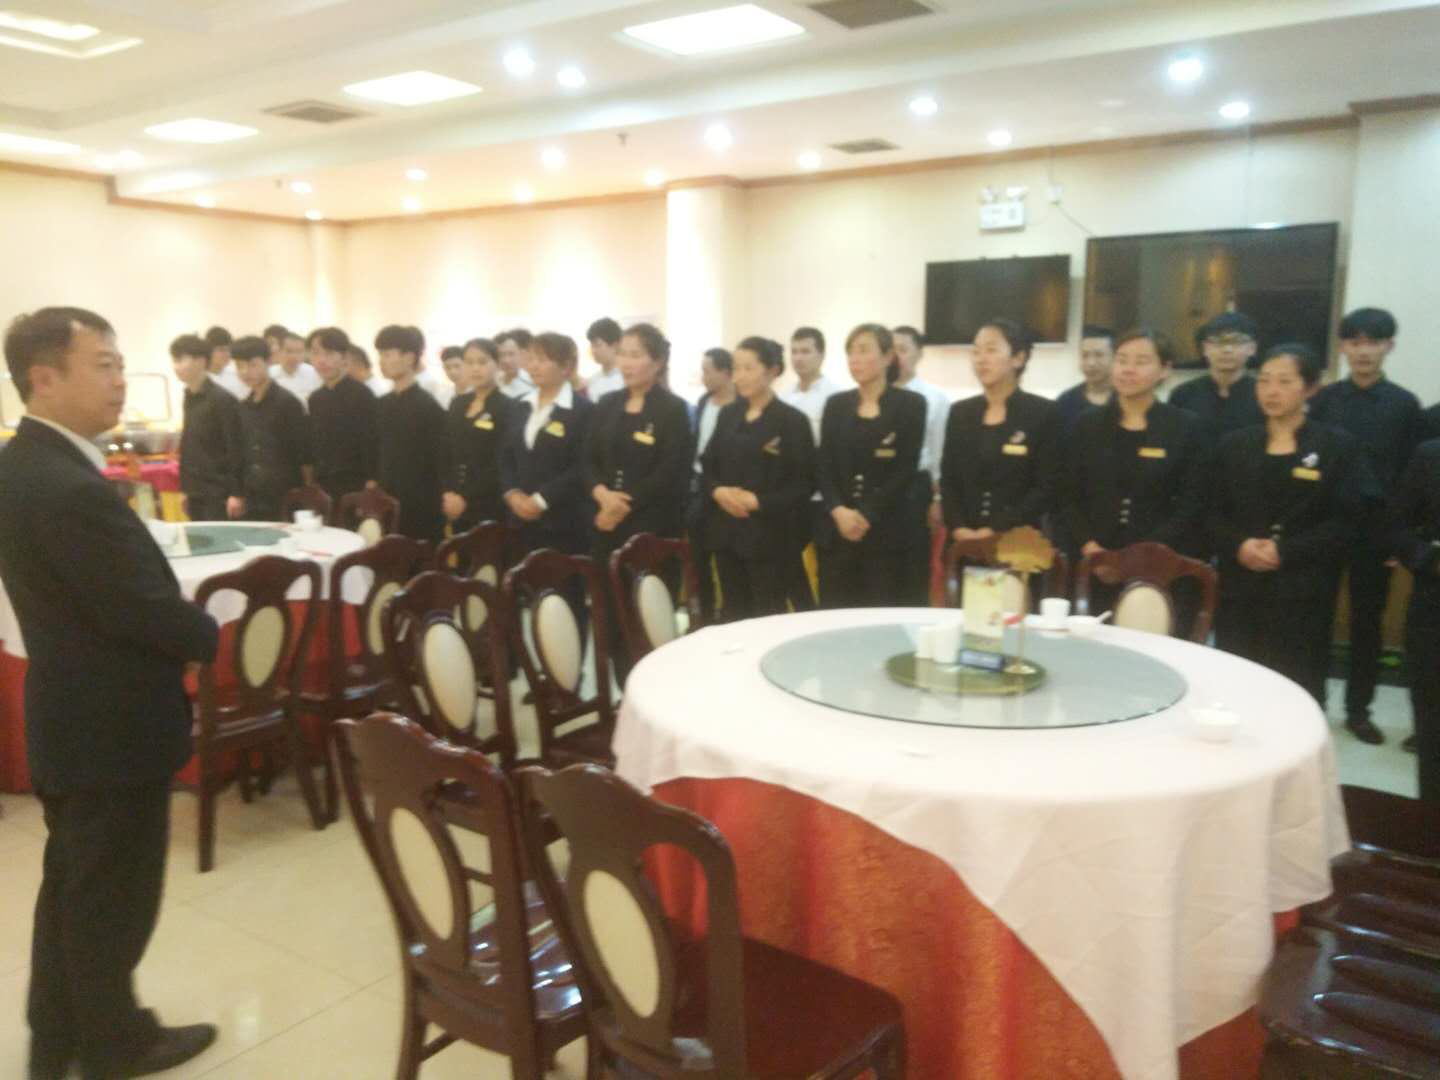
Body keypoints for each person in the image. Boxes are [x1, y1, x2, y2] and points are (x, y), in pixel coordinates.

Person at [0, 307, 220, 1080]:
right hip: (110, 724)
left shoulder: (21, 464)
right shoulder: (63, 485)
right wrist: (206, 634)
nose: (120, 380)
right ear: (44, 377)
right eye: (103, 365)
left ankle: (58, 1035)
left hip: (74, 715)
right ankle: (113, 1044)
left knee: (74, 889)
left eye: (121, 364)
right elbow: (135, 608)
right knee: (113, 898)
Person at [1208, 345, 1378, 705]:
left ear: (1310, 388)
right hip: (1240, 583)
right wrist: (1239, 545)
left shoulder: (1338, 447)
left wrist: (1285, 551)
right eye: (1264, 381)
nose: (1271, 391)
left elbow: (1349, 520)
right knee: (1236, 680)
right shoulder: (1234, 445)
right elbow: (1210, 512)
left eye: (1285, 382)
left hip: (1304, 586)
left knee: (1297, 683)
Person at [1309, 307, 1426, 744]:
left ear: (1388, 347)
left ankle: (1359, 711)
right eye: (1354, 342)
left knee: (1367, 624)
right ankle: (1312, 704)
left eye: (1373, 342)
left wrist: (1402, 539)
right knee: (1315, 618)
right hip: (1323, 528)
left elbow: (1411, 478)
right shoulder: (1323, 401)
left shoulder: (1404, 405)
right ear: (1342, 347)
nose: (1363, 351)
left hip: (1377, 533)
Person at [1064, 329, 1208, 622]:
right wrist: (1091, 548)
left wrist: (1140, 558)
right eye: (1122, 360)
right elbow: (1067, 494)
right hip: (1094, 562)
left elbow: (1192, 504)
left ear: (1165, 370)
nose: (1128, 369)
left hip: (1160, 567)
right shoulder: (1086, 425)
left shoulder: (1186, 428)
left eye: (1141, 361)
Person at [587, 322, 691, 683]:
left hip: (651, 528)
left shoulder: (673, 409)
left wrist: (621, 505)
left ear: (657, 362)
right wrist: (601, 495)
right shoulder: (606, 404)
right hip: (605, 525)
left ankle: (654, 691)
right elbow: (587, 460)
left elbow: (670, 472)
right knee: (612, 616)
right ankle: (623, 692)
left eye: (636, 355)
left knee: (648, 616)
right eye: (623, 354)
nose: (626, 363)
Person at [702, 336, 816, 620]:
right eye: (736, 368)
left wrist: (759, 501)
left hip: (771, 537)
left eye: (748, 368)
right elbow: (708, 465)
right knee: (734, 616)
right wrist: (718, 491)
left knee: (769, 617)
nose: (739, 376)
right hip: (727, 533)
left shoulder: (792, 421)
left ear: (772, 371)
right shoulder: (728, 414)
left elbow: (804, 484)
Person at [816, 324, 927, 609]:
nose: (855, 359)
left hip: (887, 530)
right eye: (850, 352)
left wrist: (866, 514)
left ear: (888, 357)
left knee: (882, 613)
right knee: (837, 614)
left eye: (864, 350)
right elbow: (824, 464)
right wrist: (838, 509)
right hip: (838, 529)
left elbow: (906, 468)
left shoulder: (911, 404)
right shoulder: (836, 404)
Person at [501, 333, 596, 636]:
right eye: (531, 358)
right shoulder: (519, 406)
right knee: (532, 598)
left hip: (564, 522)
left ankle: (571, 663)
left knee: (566, 600)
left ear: (566, 366)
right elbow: (505, 456)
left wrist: (541, 499)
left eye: (542, 360)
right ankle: (539, 662)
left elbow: (583, 466)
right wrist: (512, 493)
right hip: (521, 520)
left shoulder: (583, 411)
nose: (533, 366)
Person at [940, 318, 1059, 550]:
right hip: (963, 542)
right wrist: (958, 527)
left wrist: (995, 530)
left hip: (1018, 544)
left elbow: (1046, 487)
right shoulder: (960, 412)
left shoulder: (1043, 413)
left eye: (991, 350)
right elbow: (949, 480)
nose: (981, 359)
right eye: (976, 351)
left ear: (1018, 358)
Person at [1389, 436, 1440, 800]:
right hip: (1433, 611)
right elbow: (1396, 528)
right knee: (1433, 729)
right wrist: (1430, 560)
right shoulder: (1430, 455)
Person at [781, 326, 838, 611]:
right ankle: (804, 614)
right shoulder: (785, 397)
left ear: (821, 355)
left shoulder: (834, 396)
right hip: (793, 493)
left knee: (827, 564)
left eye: (805, 351)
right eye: (794, 351)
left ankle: (826, 616)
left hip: (823, 496)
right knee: (789, 560)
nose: (799, 358)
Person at [893, 326, 950, 605]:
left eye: (903, 349)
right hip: (880, 489)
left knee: (914, 565)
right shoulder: (869, 396)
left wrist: (937, 499)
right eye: (891, 349)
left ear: (919, 354)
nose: (896, 356)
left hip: (917, 488)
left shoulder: (934, 398)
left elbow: (940, 453)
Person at [375, 324, 447, 542]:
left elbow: (440, 460)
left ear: (409, 358)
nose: (381, 361)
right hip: (387, 497)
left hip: (421, 503)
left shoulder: (428, 406)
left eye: (388, 354)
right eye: (380, 355)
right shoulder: (381, 404)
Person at [443, 337, 518, 534]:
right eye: (469, 363)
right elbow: (446, 451)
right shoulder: (458, 403)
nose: (475, 368)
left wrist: (466, 497)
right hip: (452, 498)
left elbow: (501, 460)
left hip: (489, 500)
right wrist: (448, 492)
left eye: (482, 362)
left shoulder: (507, 406)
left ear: (497, 365)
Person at [233, 335, 312, 521]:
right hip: (253, 494)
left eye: (252, 364)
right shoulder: (243, 406)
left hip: (285, 494)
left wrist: (306, 493)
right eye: (239, 366)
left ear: (268, 361)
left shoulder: (287, 402)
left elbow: (304, 453)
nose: (245, 372)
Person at [170, 332, 242, 523]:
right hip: (195, 489)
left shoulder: (222, 399)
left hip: (218, 491)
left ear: (201, 361)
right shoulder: (188, 396)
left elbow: (235, 447)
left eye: (180, 360)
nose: (176, 367)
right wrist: (185, 489)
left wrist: (236, 493)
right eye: (174, 360)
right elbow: (189, 444)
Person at [688, 348, 736, 622]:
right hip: (700, 486)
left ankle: (729, 613)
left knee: (726, 558)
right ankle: (704, 615)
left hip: (727, 489)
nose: (703, 376)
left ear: (725, 372)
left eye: (708, 371)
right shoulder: (704, 402)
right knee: (698, 557)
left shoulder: (740, 405)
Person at [307, 326, 378, 504]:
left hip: (355, 483)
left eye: (329, 353)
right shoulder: (315, 398)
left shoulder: (362, 395)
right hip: (322, 483)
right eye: (315, 353)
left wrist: (372, 481)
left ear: (345, 357)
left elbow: (371, 443)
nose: (321, 360)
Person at [1169, 312, 1264, 437]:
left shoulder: (1264, 393)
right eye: (1218, 341)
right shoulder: (1183, 394)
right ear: (1205, 348)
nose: (1227, 349)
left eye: (1236, 341)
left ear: (1252, 348)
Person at [1053, 325, 1115, 431]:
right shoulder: (1066, 401)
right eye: (1085, 355)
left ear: (1114, 357)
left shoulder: (1126, 399)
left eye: (1099, 355)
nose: (1091, 363)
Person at [269, 330, 321, 407]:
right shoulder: (268, 375)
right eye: (289, 351)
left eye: (299, 351)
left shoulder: (315, 373)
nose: (294, 356)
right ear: (279, 351)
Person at [583, 317, 624, 401]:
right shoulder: (592, 380)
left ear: (615, 346)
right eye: (592, 345)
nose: (593, 350)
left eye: (597, 345)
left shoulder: (626, 379)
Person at [203, 325, 245, 399]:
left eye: (229, 349)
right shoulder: (200, 379)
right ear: (208, 351)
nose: (228, 354)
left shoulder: (237, 373)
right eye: (221, 350)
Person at [495, 328, 537, 400]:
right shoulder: (491, 382)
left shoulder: (533, 383)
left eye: (511, 354)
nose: (506, 360)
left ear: (521, 354)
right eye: (501, 355)